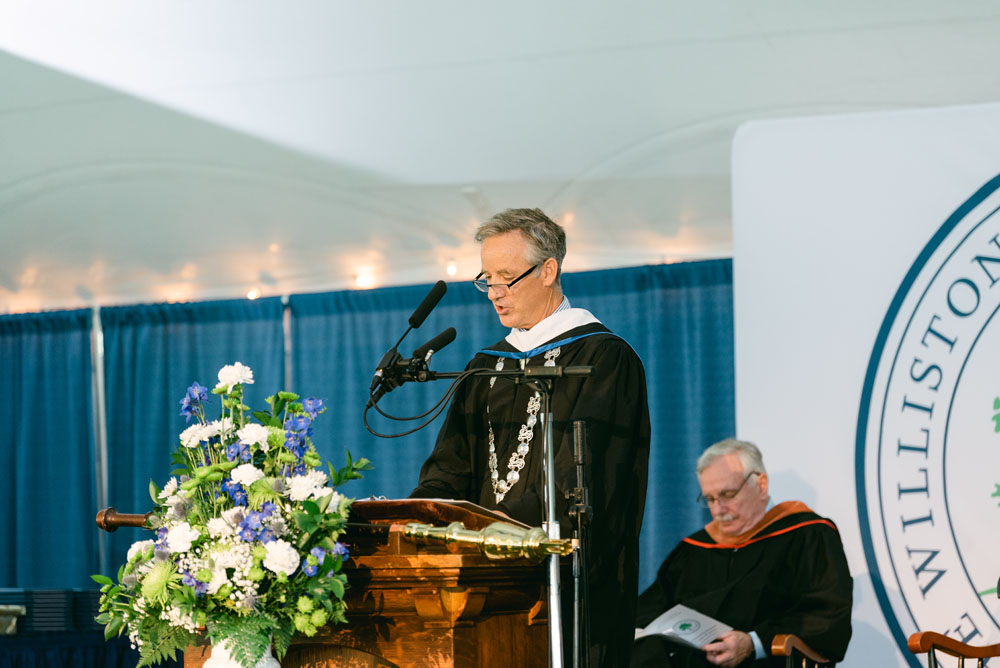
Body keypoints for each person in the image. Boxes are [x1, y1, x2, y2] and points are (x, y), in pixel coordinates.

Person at [410, 207, 651, 668]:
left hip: (566, 586)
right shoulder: (487, 364)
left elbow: (593, 477)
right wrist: (427, 519)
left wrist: (508, 530)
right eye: (486, 280)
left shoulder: (602, 358)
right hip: (484, 588)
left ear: (547, 271)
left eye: (506, 278)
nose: (494, 294)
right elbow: (449, 466)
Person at [631, 439, 852, 668]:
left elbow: (825, 617)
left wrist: (752, 643)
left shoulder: (807, 536)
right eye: (710, 499)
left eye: (727, 494)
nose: (718, 509)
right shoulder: (695, 549)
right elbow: (650, 609)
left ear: (762, 485)